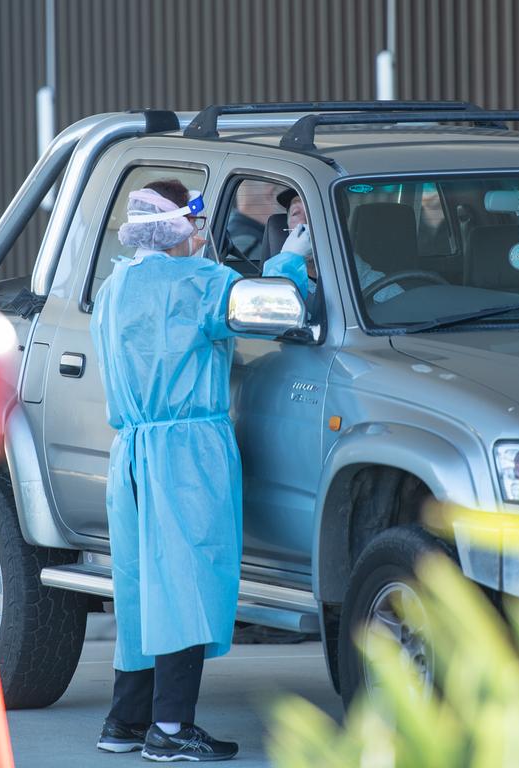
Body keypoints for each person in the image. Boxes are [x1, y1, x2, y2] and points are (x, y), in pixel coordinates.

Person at [89, 179, 302, 762]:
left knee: (141, 588)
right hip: (187, 452)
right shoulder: (204, 283)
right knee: (184, 583)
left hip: (130, 451)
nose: (205, 234)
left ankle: (126, 720)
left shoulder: (115, 286)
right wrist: (293, 255)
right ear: (180, 226)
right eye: (198, 223)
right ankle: (173, 729)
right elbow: (272, 307)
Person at [268, 189, 404, 304]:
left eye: (315, 211)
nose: (304, 223)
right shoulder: (276, 281)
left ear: (339, 225)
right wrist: (289, 260)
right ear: (287, 227)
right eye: (296, 213)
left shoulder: (374, 285)